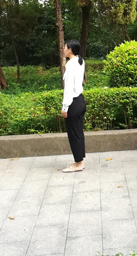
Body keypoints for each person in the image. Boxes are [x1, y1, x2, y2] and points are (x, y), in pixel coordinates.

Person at [61, 40, 86, 173]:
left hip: (73, 103)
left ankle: (78, 163)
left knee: (74, 134)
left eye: (65, 47)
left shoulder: (70, 65)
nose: (63, 49)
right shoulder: (80, 61)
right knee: (78, 133)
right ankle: (79, 160)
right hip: (80, 100)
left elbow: (68, 89)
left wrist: (65, 107)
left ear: (70, 49)